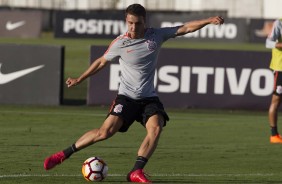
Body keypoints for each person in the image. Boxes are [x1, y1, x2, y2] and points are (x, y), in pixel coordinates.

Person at [44, 4, 224, 183]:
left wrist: (208, 20)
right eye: (130, 23)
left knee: (156, 128)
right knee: (104, 132)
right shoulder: (120, 42)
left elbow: (184, 28)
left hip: (149, 98)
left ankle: (136, 172)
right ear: (126, 21)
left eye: (137, 23)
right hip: (126, 98)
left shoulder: (156, 36)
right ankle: (63, 154)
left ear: (144, 22)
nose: (133, 27)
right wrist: (79, 79)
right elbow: (101, 62)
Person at [266, 18, 282, 143]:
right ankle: (274, 135)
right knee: (276, 100)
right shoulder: (279, 23)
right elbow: (268, 43)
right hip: (280, 68)